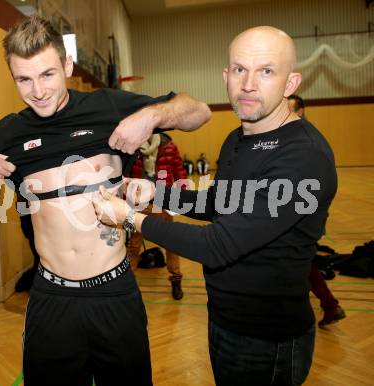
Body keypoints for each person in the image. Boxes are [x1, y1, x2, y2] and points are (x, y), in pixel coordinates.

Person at [0, 16, 211, 386]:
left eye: (48, 75)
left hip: (113, 293)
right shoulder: (11, 131)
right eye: (24, 79)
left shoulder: (109, 106)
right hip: (51, 297)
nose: (37, 90)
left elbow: (199, 111)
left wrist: (149, 116)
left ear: (67, 65)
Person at [93, 26, 337, 385]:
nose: (249, 84)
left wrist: (131, 219)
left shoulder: (303, 157)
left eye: (266, 71)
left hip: (268, 339)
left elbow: (218, 245)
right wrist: (155, 193)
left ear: (291, 83)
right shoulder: (237, 138)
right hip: (225, 319)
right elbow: (219, 202)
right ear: (226, 77)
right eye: (240, 69)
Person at [288, 94, 346, 327]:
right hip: (299, 214)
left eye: (290, 109)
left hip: (305, 216)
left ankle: (325, 307)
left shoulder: (308, 140)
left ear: (301, 110)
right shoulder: (294, 136)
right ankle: (330, 305)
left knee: (299, 264)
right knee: (305, 264)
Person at [126, 133, 187, 300]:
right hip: (139, 201)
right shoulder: (133, 145)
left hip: (163, 199)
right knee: (134, 244)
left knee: (171, 243)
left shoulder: (169, 146)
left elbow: (179, 171)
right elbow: (127, 173)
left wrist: (182, 196)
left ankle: (176, 280)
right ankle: (128, 283)